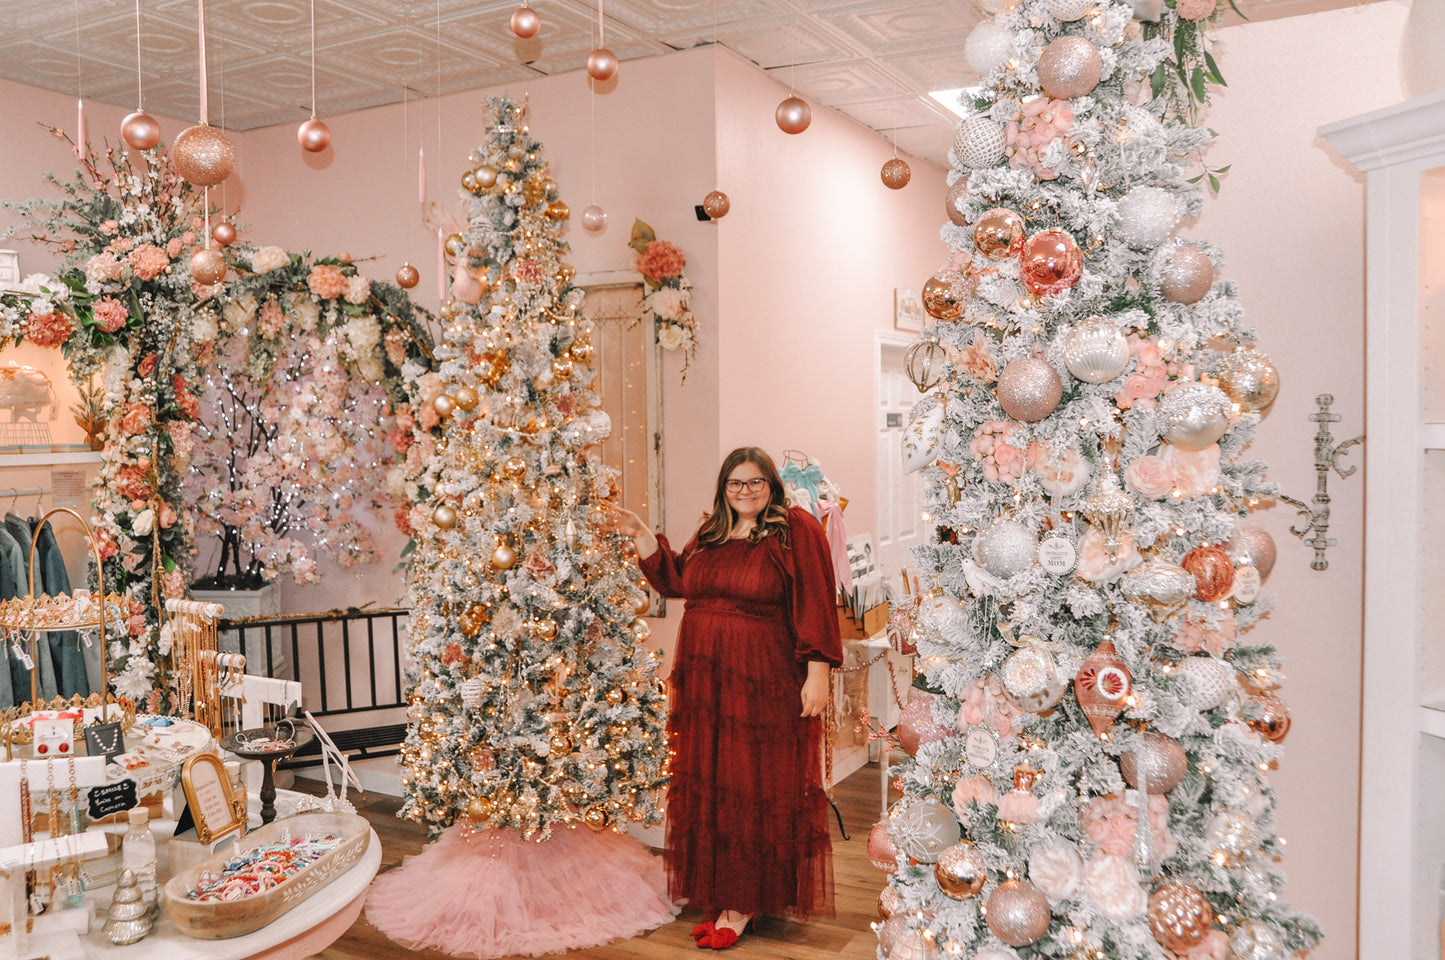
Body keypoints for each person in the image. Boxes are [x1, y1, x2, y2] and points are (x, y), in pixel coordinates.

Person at [604, 447, 843, 950]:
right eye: (736, 484)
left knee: (753, 780)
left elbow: (818, 599)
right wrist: (640, 533)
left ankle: (744, 898)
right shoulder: (712, 531)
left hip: (763, 677)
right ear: (724, 489)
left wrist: (817, 671)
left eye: (756, 483)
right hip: (706, 677)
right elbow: (676, 580)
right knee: (715, 779)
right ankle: (725, 888)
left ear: (771, 485)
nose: (746, 492)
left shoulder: (794, 528)